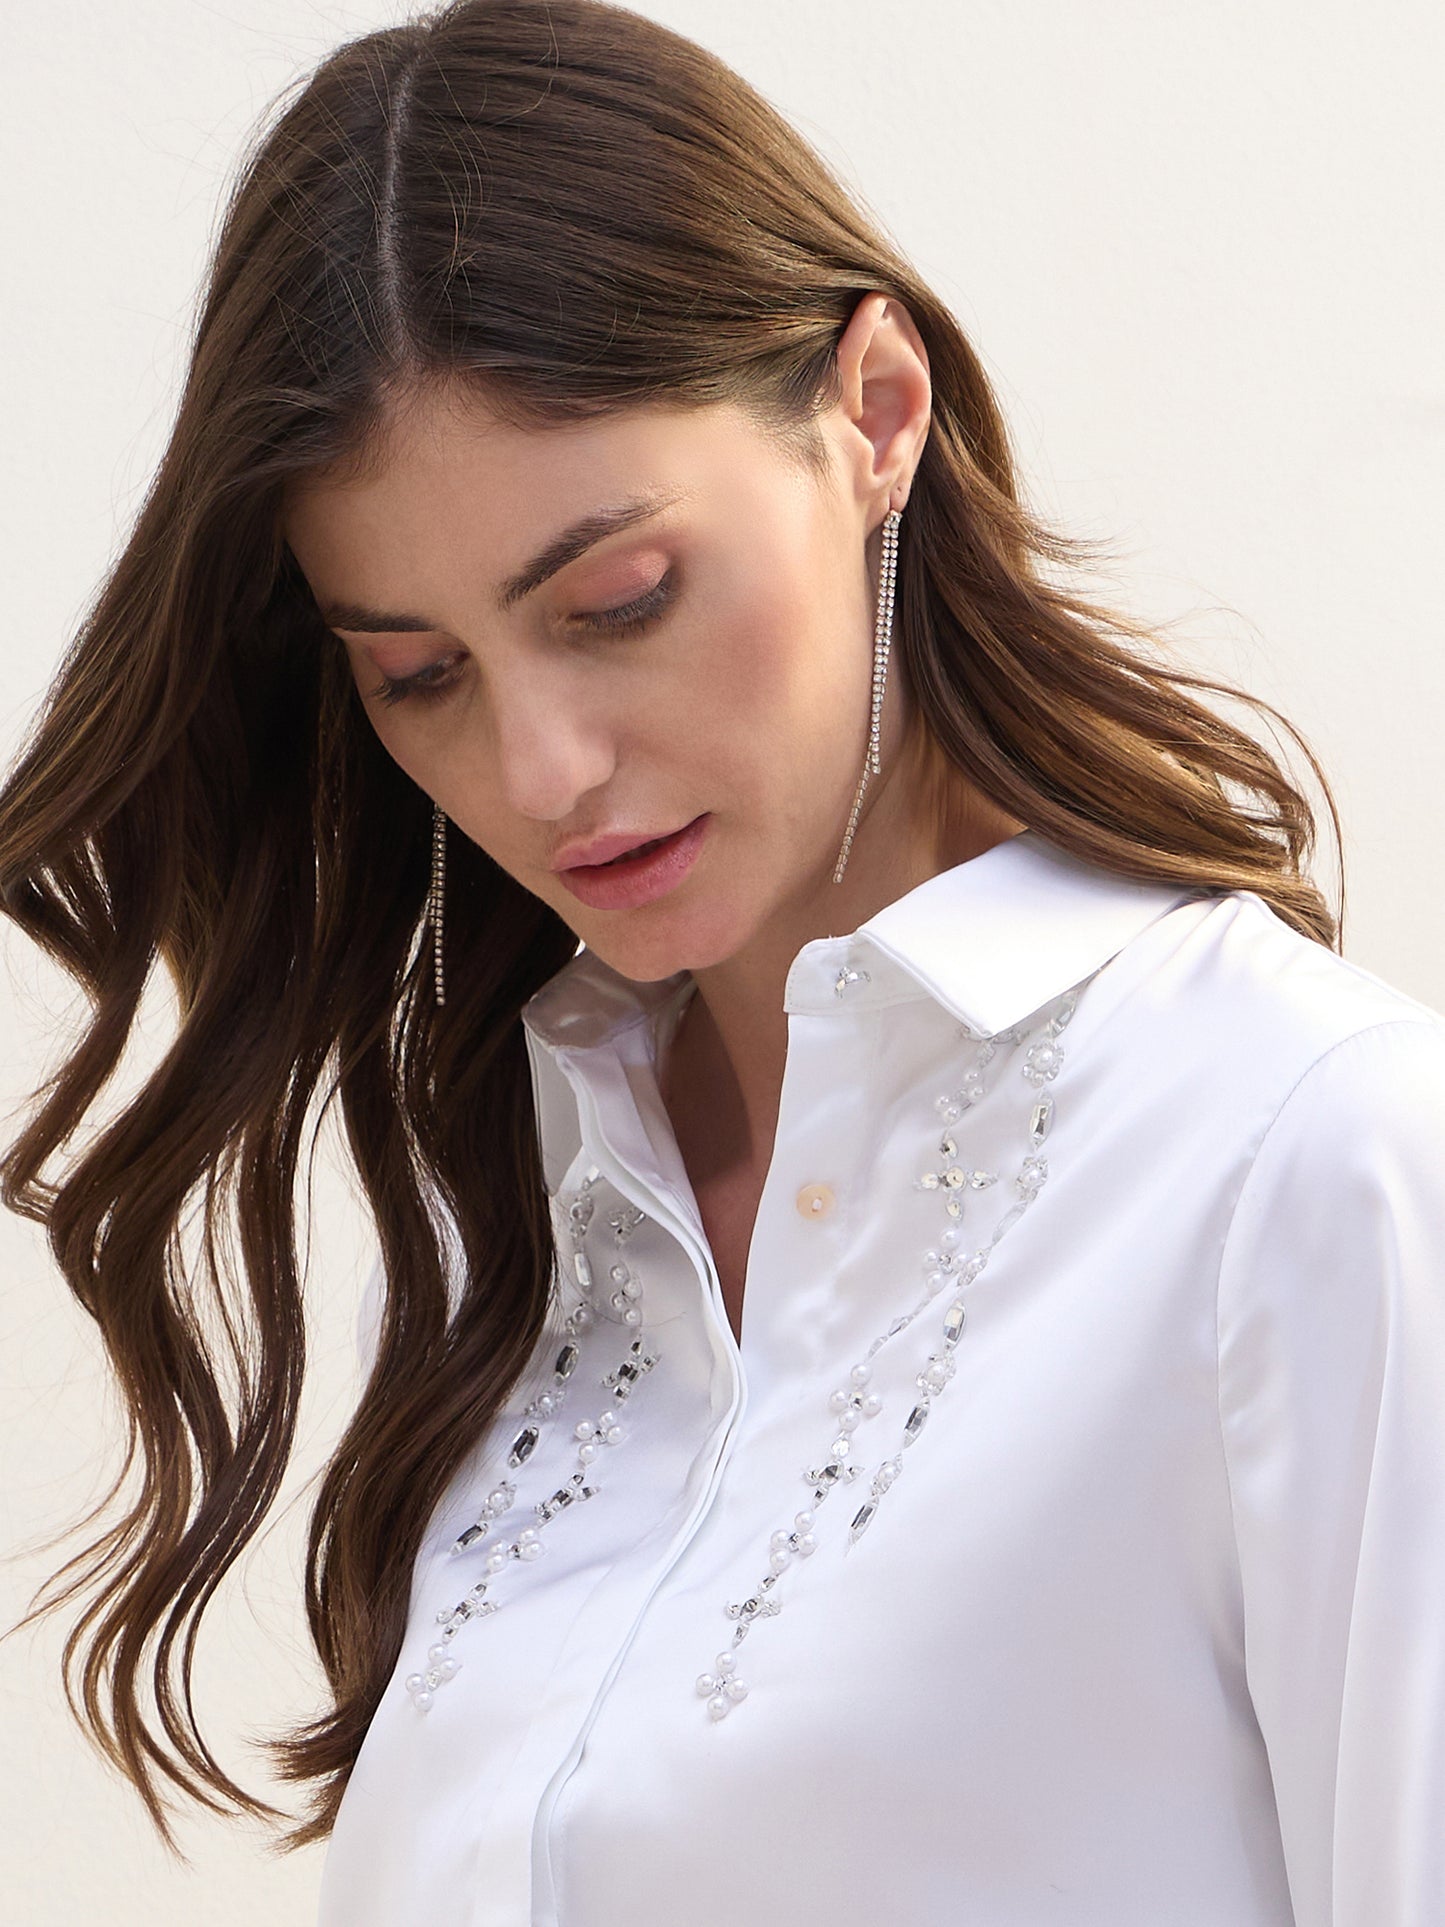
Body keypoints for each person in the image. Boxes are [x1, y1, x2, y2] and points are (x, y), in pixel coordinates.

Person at [2, 1, 1441, 1921]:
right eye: (416, 674)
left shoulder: (1311, 1167)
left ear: (875, 414)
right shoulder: (527, 1227)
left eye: (618, 600)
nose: (538, 771)